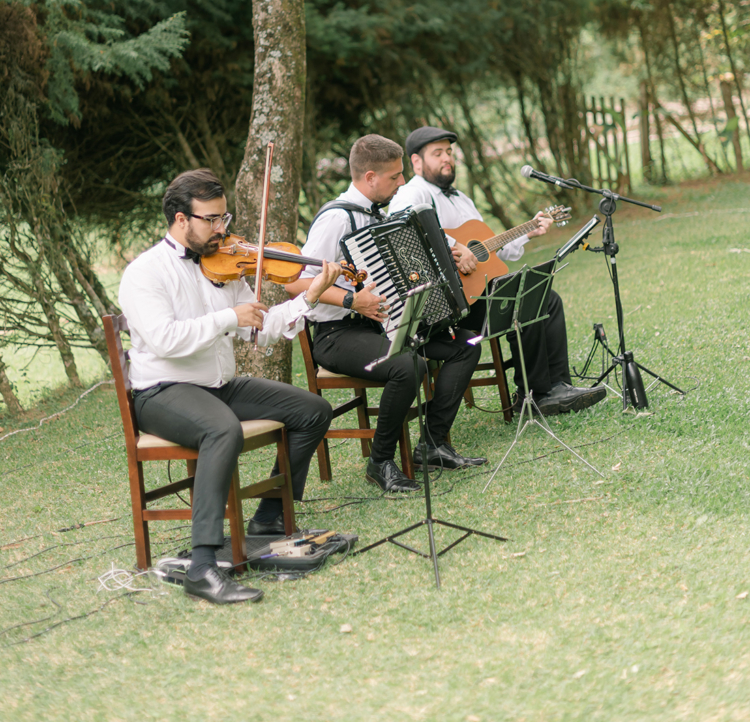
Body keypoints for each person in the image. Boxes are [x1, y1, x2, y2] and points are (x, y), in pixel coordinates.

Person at [118, 168, 339, 606]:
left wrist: (311, 295)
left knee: (312, 410)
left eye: (225, 218)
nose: (223, 229)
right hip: (162, 391)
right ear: (181, 219)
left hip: (217, 385)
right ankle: (202, 567)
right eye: (212, 219)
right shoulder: (145, 273)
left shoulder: (223, 266)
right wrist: (227, 318)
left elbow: (262, 329)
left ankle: (270, 518)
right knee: (223, 430)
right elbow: (165, 338)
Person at [284, 134, 487, 495]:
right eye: (394, 177)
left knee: (465, 345)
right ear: (370, 177)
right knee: (409, 365)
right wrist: (352, 301)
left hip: (384, 325)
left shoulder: (381, 214)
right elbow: (297, 285)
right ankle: (380, 461)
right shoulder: (336, 219)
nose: (402, 183)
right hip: (337, 334)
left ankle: (432, 444)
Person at [389, 127, 605, 416]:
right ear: (416, 162)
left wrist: (529, 231)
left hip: (476, 291)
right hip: (447, 302)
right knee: (524, 300)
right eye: (437, 153)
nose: (447, 159)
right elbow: (405, 224)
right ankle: (533, 395)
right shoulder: (412, 192)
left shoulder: (461, 198)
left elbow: (489, 249)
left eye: (450, 152)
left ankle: (558, 386)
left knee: (545, 296)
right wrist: (454, 245)